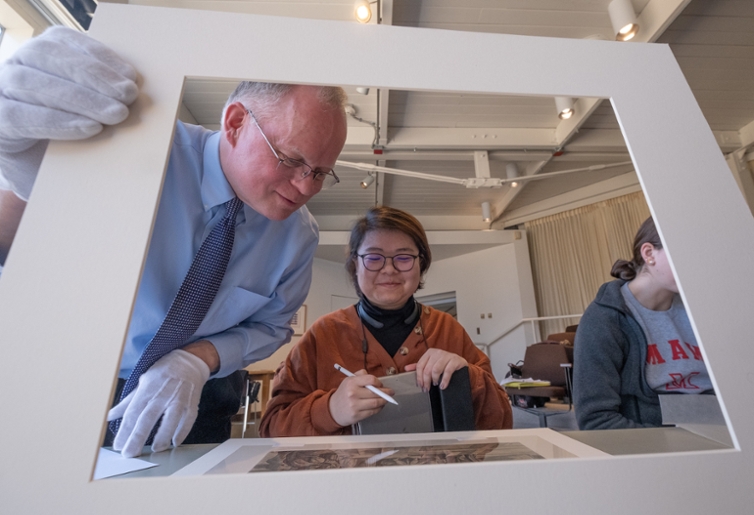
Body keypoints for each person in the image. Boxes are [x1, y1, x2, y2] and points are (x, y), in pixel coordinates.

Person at [0, 27, 348, 456]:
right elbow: (18, 234)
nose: (306, 186)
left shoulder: (298, 236)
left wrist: (199, 358)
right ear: (236, 123)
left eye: (320, 172)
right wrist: (17, 152)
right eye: (293, 160)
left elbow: (272, 326)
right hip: (66, 383)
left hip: (197, 400)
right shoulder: (135, 149)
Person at [260, 206, 512, 437]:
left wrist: (468, 378)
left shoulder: (448, 329)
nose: (389, 269)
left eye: (403, 257)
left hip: (436, 478)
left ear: (420, 264)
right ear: (354, 266)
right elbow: (271, 430)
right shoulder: (322, 335)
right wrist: (329, 410)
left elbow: (502, 419)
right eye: (373, 257)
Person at [573, 216, 713, 430]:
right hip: (661, 447)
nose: (696, 264)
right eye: (684, 252)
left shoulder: (704, 308)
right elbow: (597, 420)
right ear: (649, 254)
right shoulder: (605, 319)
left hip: (725, 434)